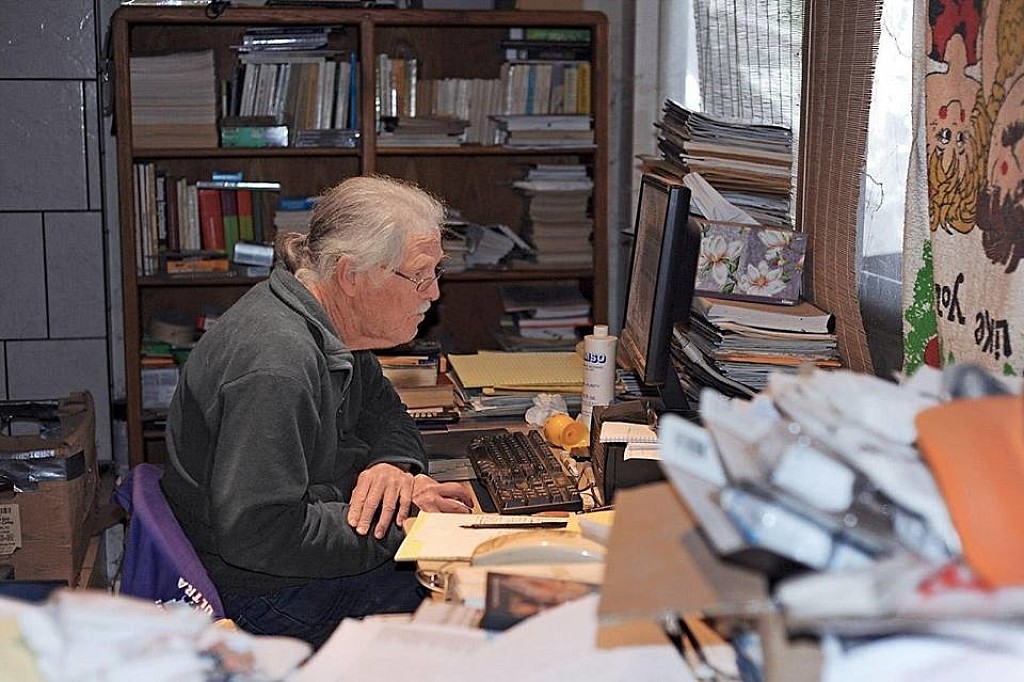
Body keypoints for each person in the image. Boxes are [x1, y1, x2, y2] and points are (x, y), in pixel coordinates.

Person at [161, 175, 474, 648]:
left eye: (436, 273)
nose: (433, 294)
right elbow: (260, 534)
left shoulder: (332, 324)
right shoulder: (277, 366)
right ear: (351, 276)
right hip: (268, 596)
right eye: (419, 275)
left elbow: (386, 413)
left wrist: (392, 467)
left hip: (294, 560)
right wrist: (405, 524)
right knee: (480, 602)